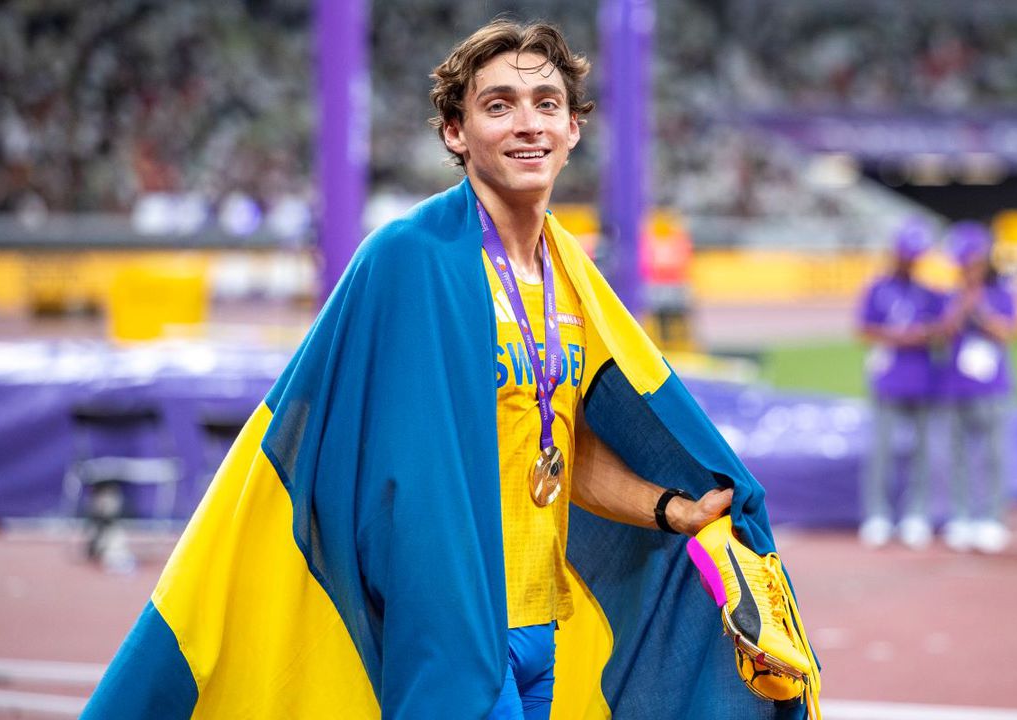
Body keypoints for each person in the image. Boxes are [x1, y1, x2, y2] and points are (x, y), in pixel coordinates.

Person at [83, 20, 814, 719]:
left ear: (573, 129)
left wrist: (671, 510)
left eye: (546, 104)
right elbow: (366, 456)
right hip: (450, 626)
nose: (528, 124)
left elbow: (558, 453)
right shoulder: (407, 258)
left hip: (539, 627)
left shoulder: (571, 280)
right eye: (499, 106)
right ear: (455, 132)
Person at [856, 218, 944, 549]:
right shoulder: (878, 289)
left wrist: (925, 334)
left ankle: (916, 514)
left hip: (922, 378)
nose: (910, 260)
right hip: (887, 378)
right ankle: (877, 514)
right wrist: (897, 336)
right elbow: (863, 329)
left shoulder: (928, 292)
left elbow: (942, 330)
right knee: (881, 451)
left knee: (920, 452)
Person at [937, 221, 1017, 553]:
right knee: (956, 457)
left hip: (992, 388)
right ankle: (961, 516)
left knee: (992, 457)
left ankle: (992, 518)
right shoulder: (950, 297)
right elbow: (942, 335)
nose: (967, 269)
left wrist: (980, 310)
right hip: (955, 387)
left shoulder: (1002, 293)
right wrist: (961, 306)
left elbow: (1006, 333)